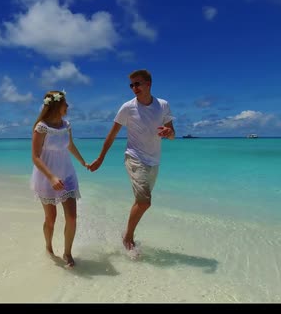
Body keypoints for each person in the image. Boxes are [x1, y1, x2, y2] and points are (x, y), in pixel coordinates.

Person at [88, 69, 175, 254]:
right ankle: (128, 237)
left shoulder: (163, 105)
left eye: (138, 84)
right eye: (132, 85)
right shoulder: (127, 107)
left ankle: (126, 233)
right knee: (145, 202)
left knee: (141, 200)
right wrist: (101, 158)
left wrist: (169, 133)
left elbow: (172, 134)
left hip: (154, 160)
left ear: (148, 84)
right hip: (134, 157)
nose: (134, 88)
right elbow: (112, 135)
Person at [31, 90, 88, 268]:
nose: (68, 106)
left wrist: (84, 162)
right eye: (65, 103)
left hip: (68, 174)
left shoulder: (67, 125)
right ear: (57, 105)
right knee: (51, 218)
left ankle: (67, 253)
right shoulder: (41, 126)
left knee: (72, 217)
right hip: (47, 177)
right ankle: (48, 248)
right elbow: (35, 156)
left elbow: (70, 145)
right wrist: (51, 177)